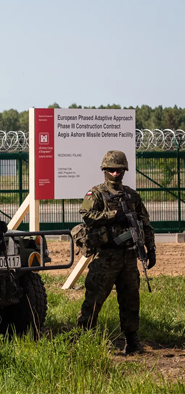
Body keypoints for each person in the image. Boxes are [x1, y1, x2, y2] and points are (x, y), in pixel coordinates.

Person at [77, 150, 156, 355]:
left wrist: (151, 247)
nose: (115, 173)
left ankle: (132, 341)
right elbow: (86, 215)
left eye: (119, 170)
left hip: (129, 257)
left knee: (130, 300)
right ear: (104, 170)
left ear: (124, 170)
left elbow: (145, 223)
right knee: (94, 300)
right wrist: (112, 215)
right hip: (106, 257)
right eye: (111, 170)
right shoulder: (96, 193)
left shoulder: (132, 195)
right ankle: (84, 340)